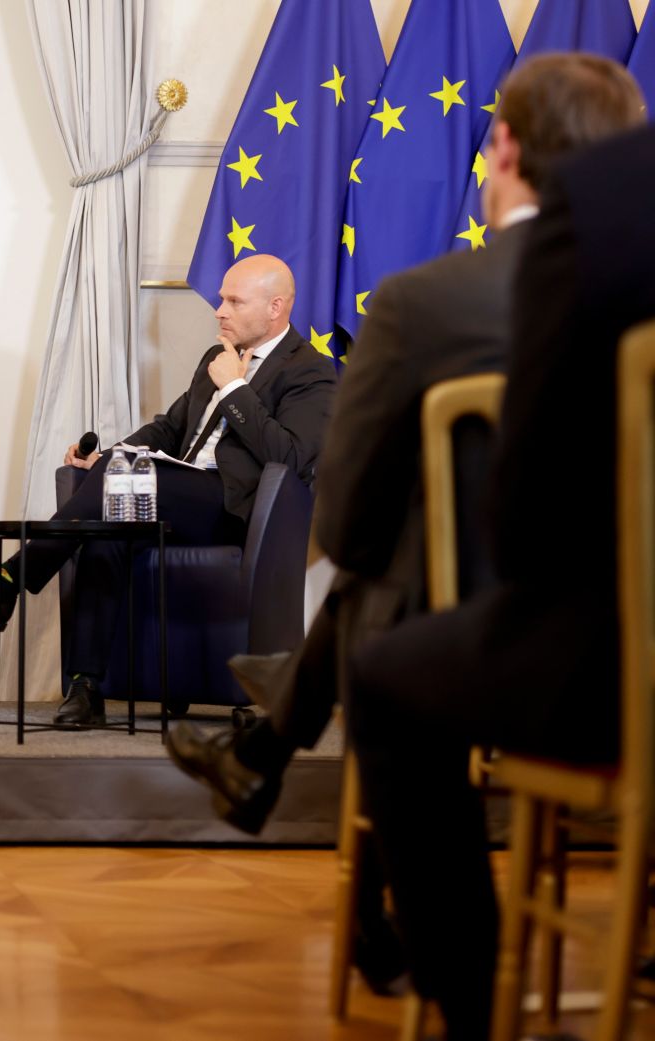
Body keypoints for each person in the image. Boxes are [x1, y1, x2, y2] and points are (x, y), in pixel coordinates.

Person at [164, 53, 649, 835]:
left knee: (382, 644)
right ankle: (269, 742)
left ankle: (442, 952)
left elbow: (349, 524)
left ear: (505, 147)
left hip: (539, 666)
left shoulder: (432, 303)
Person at [340, 111, 655, 1041]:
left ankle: (471, 1013)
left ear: (506, 146)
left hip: (615, 665)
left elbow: (527, 520)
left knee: (389, 671)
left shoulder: (604, 206)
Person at [0, 255, 335, 726]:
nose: (219, 309)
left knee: (116, 488)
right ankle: (85, 689)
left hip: (233, 509)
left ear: (276, 307)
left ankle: (9, 581)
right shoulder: (215, 357)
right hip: (175, 493)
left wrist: (236, 389)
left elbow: (292, 458)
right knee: (103, 531)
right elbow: (169, 429)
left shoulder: (310, 371)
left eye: (233, 301)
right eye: (221, 298)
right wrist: (108, 458)